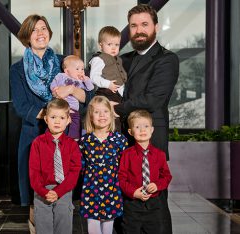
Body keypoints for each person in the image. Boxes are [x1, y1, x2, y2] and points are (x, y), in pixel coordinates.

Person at [9, 14, 92, 231]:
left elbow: (89, 96)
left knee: (63, 192)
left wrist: (73, 89)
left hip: (64, 137)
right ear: (27, 36)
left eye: (43, 28)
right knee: (36, 193)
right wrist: (52, 116)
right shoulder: (17, 70)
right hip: (33, 135)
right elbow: (21, 106)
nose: (40, 33)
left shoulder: (65, 62)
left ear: (49, 33)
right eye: (34, 30)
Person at [113, 4, 179, 233]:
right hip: (123, 138)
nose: (138, 30)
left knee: (154, 204)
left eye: (144, 24)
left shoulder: (167, 59)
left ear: (155, 27)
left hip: (151, 139)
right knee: (125, 200)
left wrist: (118, 108)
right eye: (133, 25)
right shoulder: (122, 60)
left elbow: (153, 99)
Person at [29, 98, 81, 234]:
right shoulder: (37, 143)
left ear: (68, 120)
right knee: (43, 228)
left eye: (62, 117)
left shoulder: (72, 145)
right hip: (42, 192)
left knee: (63, 227)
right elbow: (33, 172)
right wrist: (43, 191)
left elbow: (75, 171)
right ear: (46, 119)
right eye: (53, 117)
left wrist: (59, 191)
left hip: (64, 190)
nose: (57, 121)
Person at [79, 96, 128, 234]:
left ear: (111, 114)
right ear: (90, 116)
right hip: (91, 190)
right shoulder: (85, 141)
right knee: (92, 226)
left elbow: (124, 165)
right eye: (97, 112)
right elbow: (81, 165)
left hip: (112, 189)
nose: (102, 115)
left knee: (108, 227)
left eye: (106, 111)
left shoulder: (119, 140)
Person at [118, 109, 172, 234]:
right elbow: (121, 178)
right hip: (132, 205)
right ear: (131, 132)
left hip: (154, 205)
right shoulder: (127, 154)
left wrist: (158, 185)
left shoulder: (160, 155)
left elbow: (167, 176)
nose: (142, 130)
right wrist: (133, 192)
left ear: (152, 129)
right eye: (137, 127)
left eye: (146, 126)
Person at [89, 26, 127, 131]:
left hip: (117, 95)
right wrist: (107, 84)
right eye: (109, 44)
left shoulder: (118, 60)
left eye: (116, 45)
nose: (114, 48)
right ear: (101, 45)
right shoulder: (99, 59)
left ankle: (118, 142)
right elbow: (94, 77)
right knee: (109, 121)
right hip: (106, 93)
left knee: (118, 120)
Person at [51, 55, 94, 139]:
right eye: (77, 69)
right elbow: (54, 83)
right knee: (58, 122)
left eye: (82, 69)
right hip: (61, 107)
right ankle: (56, 138)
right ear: (67, 71)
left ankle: (74, 138)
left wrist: (86, 80)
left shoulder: (81, 81)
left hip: (74, 109)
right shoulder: (61, 76)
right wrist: (54, 90)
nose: (81, 71)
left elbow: (90, 88)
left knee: (76, 122)